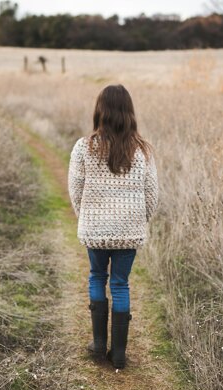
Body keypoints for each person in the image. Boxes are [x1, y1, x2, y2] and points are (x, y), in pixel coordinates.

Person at [68, 84, 159, 369]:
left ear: (100, 112)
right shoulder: (142, 150)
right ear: (129, 113)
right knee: (120, 284)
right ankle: (118, 354)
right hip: (129, 231)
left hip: (95, 230)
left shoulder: (84, 146)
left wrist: (86, 217)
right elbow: (152, 194)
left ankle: (98, 346)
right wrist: (138, 220)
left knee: (97, 277)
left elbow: (75, 189)